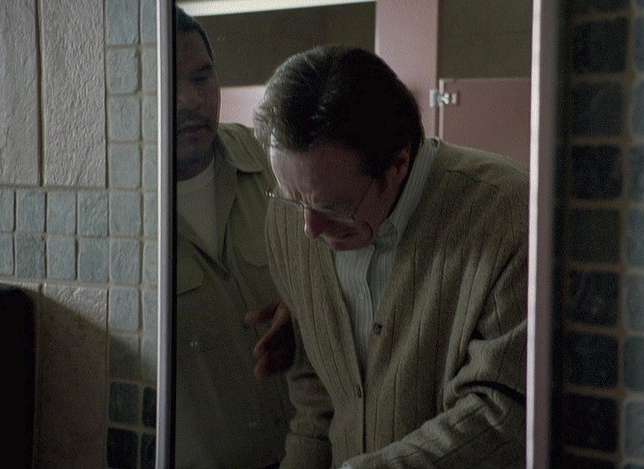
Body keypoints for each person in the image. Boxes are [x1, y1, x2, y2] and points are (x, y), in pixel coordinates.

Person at [252, 44, 528, 468]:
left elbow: (503, 414)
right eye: (293, 200)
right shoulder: (291, 216)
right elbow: (316, 402)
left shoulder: (506, 214)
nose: (309, 229)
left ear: (398, 164)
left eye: (331, 208)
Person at [173, 7, 294, 468]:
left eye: (202, 78)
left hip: (310, 448)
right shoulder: (120, 212)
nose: (191, 100)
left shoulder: (270, 159)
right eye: (171, 84)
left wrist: (307, 303)